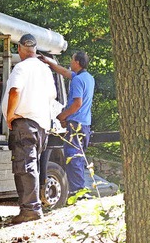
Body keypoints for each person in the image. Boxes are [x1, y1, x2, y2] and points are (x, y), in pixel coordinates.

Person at [1, 33, 57, 224]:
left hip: (24, 122)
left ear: (19, 49)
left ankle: (30, 210)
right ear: (35, 49)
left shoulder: (21, 67)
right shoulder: (45, 69)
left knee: (24, 166)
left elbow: (15, 90)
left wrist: (9, 115)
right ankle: (31, 207)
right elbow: (52, 96)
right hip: (41, 124)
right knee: (31, 165)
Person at [40, 51, 95, 196]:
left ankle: (77, 191)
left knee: (73, 156)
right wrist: (49, 62)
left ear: (77, 62)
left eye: (72, 60)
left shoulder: (77, 80)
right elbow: (64, 72)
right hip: (85, 123)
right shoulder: (88, 78)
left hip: (75, 123)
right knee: (79, 155)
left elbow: (77, 103)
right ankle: (80, 188)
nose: (70, 62)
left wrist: (62, 116)